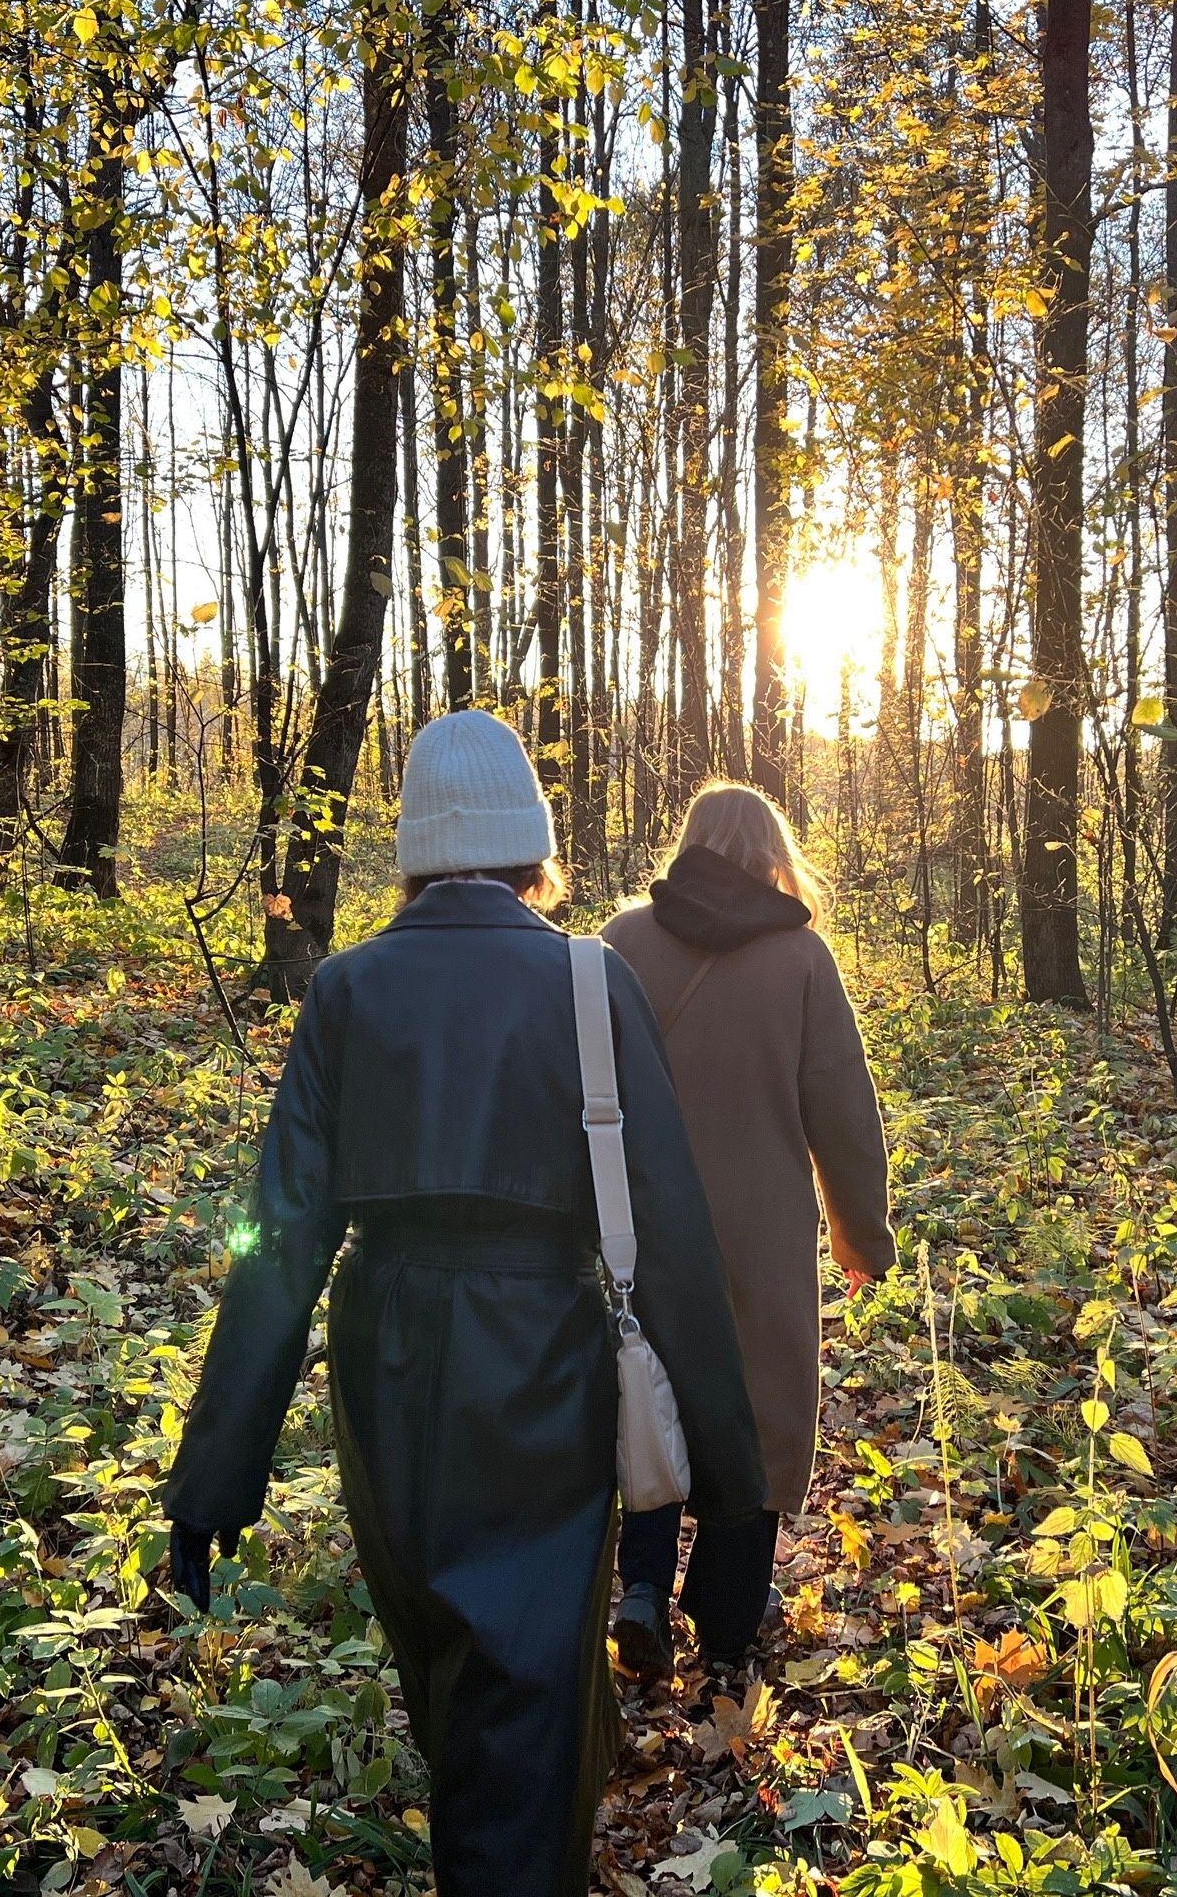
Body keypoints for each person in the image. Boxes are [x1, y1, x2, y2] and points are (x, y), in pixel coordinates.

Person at [160, 710, 764, 1897]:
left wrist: (214, 1474)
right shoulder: (592, 983)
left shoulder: (346, 991)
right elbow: (673, 1239)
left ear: (416, 850)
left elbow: (281, 1240)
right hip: (543, 1357)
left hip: (384, 1353)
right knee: (522, 1673)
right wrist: (732, 1486)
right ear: (529, 845)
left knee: (451, 1654)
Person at [599, 781, 895, 1675]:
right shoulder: (800, 957)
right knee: (759, 1412)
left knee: (645, 1396)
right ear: (774, 850)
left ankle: (644, 1588)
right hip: (760, 1233)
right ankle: (727, 1620)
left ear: (688, 845)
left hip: (640, 1228)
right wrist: (861, 1237)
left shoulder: (616, 946)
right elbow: (841, 1110)